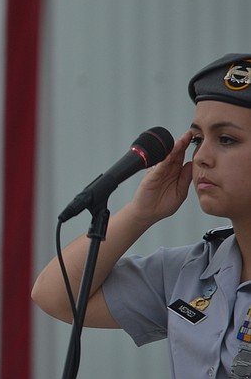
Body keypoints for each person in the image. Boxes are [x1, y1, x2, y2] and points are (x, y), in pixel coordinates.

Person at [32, 53, 251, 378]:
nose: (202, 157)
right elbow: (54, 295)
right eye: (198, 139)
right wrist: (140, 213)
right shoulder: (193, 272)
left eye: (226, 139)